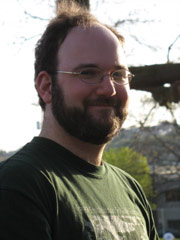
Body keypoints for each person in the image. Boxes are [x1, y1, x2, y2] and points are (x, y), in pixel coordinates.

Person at [0, 2, 159, 240]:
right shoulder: (19, 186)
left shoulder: (130, 189)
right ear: (47, 87)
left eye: (119, 75)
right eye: (87, 73)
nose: (109, 89)